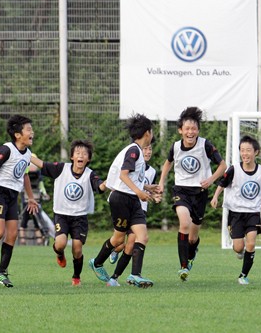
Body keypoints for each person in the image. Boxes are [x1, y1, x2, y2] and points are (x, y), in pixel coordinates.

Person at [88, 113, 158, 288]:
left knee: (142, 236)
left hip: (133, 199)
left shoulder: (137, 152)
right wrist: (140, 192)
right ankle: (96, 262)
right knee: (118, 240)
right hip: (121, 199)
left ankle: (135, 275)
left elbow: (132, 178)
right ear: (147, 133)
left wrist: (148, 188)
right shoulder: (134, 150)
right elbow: (123, 175)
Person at [157, 107, 227, 282]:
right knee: (184, 223)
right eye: (187, 128)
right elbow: (167, 164)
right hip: (181, 190)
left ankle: (191, 253)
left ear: (198, 130)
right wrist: (161, 182)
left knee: (193, 237)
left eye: (193, 128)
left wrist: (210, 180)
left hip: (200, 192)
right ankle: (182, 267)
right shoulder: (175, 147)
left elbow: (223, 166)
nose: (190, 132)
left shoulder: (206, 145)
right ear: (180, 130)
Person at [0, 114, 39, 287]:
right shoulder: (6, 149)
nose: (32, 132)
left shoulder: (28, 154)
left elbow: (24, 176)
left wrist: (31, 197)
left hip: (12, 195)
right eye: (28, 129)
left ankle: (1, 272)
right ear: (18, 134)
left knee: (12, 234)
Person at [31, 140, 106, 286]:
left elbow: (100, 187)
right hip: (62, 214)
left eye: (84, 154)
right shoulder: (61, 168)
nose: (81, 156)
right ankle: (59, 254)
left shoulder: (90, 175)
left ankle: (76, 277)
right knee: (60, 244)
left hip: (80, 217)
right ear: (72, 156)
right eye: (78, 153)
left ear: (88, 159)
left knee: (77, 249)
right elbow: (41, 164)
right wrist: (23, 152)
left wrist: (108, 183)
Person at [209, 135, 261, 285]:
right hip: (236, 213)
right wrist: (215, 197)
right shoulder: (234, 169)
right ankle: (240, 252)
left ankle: (243, 275)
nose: (245, 154)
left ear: (255, 152)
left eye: (248, 150)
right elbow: (222, 183)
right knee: (238, 247)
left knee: (251, 244)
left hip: (253, 212)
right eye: (242, 150)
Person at [106, 139, 161, 287]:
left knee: (131, 244)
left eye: (150, 149)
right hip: (127, 205)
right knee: (120, 243)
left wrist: (154, 195)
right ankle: (112, 259)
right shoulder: (132, 160)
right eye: (146, 149)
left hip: (140, 208)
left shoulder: (152, 171)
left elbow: (145, 188)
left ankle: (117, 278)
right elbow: (126, 181)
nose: (148, 152)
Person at [18, 153, 52, 245]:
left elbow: (41, 186)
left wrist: (44, 194)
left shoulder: (38, 175)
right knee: (26, 219)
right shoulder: (25, 173)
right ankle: (23, 240)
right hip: (27, 200)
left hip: (34, 200)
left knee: (36, 220)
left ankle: (39, 240)